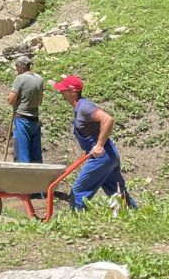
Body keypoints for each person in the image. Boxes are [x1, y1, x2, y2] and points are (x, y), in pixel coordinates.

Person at [53, 74, 137, 212]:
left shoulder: (84, 107)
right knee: (116, 191)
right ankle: (133, 215)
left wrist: (99, 145)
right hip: (109, 155)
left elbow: (108, 119)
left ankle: (78, 223)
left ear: (73, 92)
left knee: (79, 191)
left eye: (64, 90)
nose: (61, 92)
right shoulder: (81, 107)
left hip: (102, 157)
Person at [7, 55, 44, 163]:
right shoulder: (39, 78)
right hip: (35, 120)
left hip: (22, 120)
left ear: (20, 67)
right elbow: (40, 101)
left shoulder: (20, 78)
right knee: (35, 155)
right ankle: (37, 178)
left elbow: (11, 100)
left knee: (22, 155)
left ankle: (22, 178)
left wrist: (9, 97)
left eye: (16, 68)